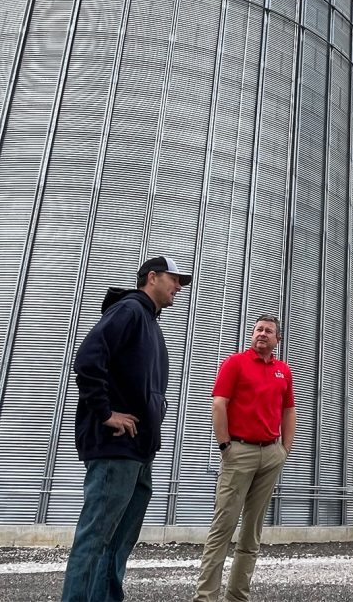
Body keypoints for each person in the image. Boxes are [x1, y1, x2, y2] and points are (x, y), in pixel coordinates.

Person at [61, 255, 191, 602]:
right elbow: (89, 359)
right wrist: (105, 413)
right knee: (96, 537)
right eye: (174, 279)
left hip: (138, 450)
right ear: (152, 277)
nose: (178, 287)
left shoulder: (149, 322)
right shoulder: (129, 311)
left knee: (118, 540)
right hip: (115, 446)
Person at [194, 315, 296, 602]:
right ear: (252, 335)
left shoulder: (283, 371)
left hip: (270, 453)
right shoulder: (235, 363)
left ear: (278, 339)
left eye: (268, 331)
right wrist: (225, 445)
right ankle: (206, 597)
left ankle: (238, 596)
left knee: (252, 530)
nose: (262, 334)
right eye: (258, 330)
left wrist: (284, 450)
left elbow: (289, 411)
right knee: (223, 527)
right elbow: (219, 403)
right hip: (239, 452)